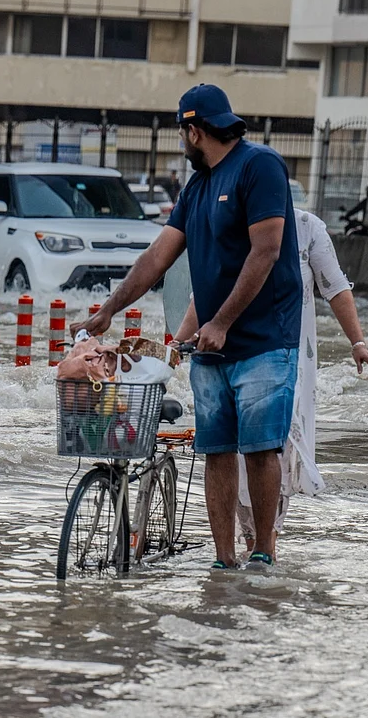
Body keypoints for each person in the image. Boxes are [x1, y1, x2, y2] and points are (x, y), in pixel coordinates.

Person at [73, 83, 303, 571]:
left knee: (261, 449)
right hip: (211, 349)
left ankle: (262, 552)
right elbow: (158, 256)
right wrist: (110, 308)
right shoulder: (196, 188)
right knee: (217, 450)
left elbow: (266, 250)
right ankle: (224, 562)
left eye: (183, 133)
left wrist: (221, 321)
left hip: (264, 341)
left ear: (195, 131)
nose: (183, 141)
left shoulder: (259, 167)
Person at [171, 208, 368, 555]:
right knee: (233, 453)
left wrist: (358, 343)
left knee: (275, 448)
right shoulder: (229, 224)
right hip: (229, 355)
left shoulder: (306, 227)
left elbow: (336, 288)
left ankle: (266, 544)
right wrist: (176, 344)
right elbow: (203, 295)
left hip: (288, 359)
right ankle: (247, 546)